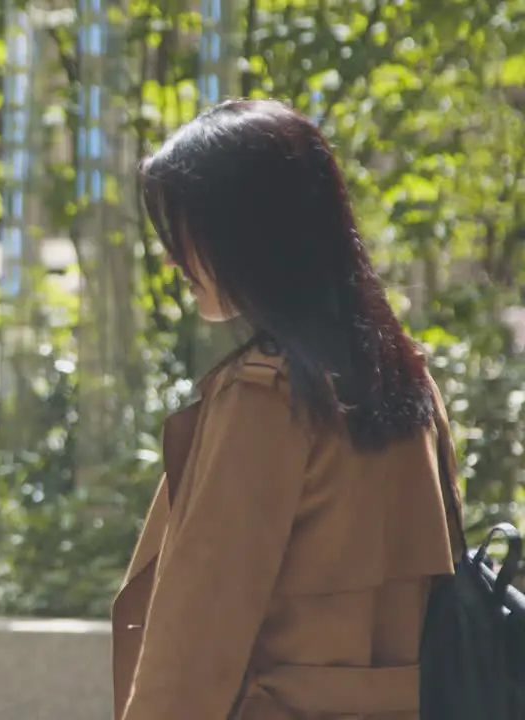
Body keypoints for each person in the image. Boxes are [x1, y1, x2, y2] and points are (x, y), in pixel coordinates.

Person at [112, 99, 456, 719]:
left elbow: (195, 644)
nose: (172, 259)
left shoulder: (265, 400)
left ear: (249, 234)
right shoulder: (407, 382)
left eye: (185, 232)